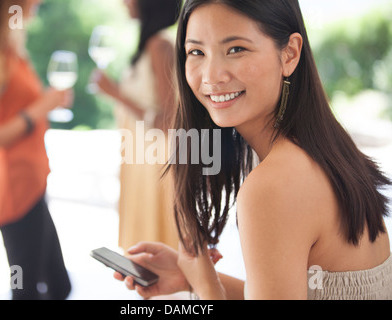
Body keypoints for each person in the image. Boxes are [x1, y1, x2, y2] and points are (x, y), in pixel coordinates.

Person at [113, 0, 392, 300]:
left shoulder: (273, 186)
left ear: (290, 53)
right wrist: (193, 279)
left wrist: (207, 288)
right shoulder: (325, 149)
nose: (211, 76)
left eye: (236, 49)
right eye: (197, 52)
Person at [0, 0, 72, 299]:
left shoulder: (11, 53)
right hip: (13, 190)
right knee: (25, 289)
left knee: (59, 285)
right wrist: (39, 109)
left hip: (32, 185)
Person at [92, 0, 182, 252]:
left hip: (155, 162)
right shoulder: (150, 45)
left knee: (157, 251)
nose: (124, 2)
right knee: (145, 253)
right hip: (140, 160)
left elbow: (169, 121)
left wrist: (115, 93)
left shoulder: (160, 46)